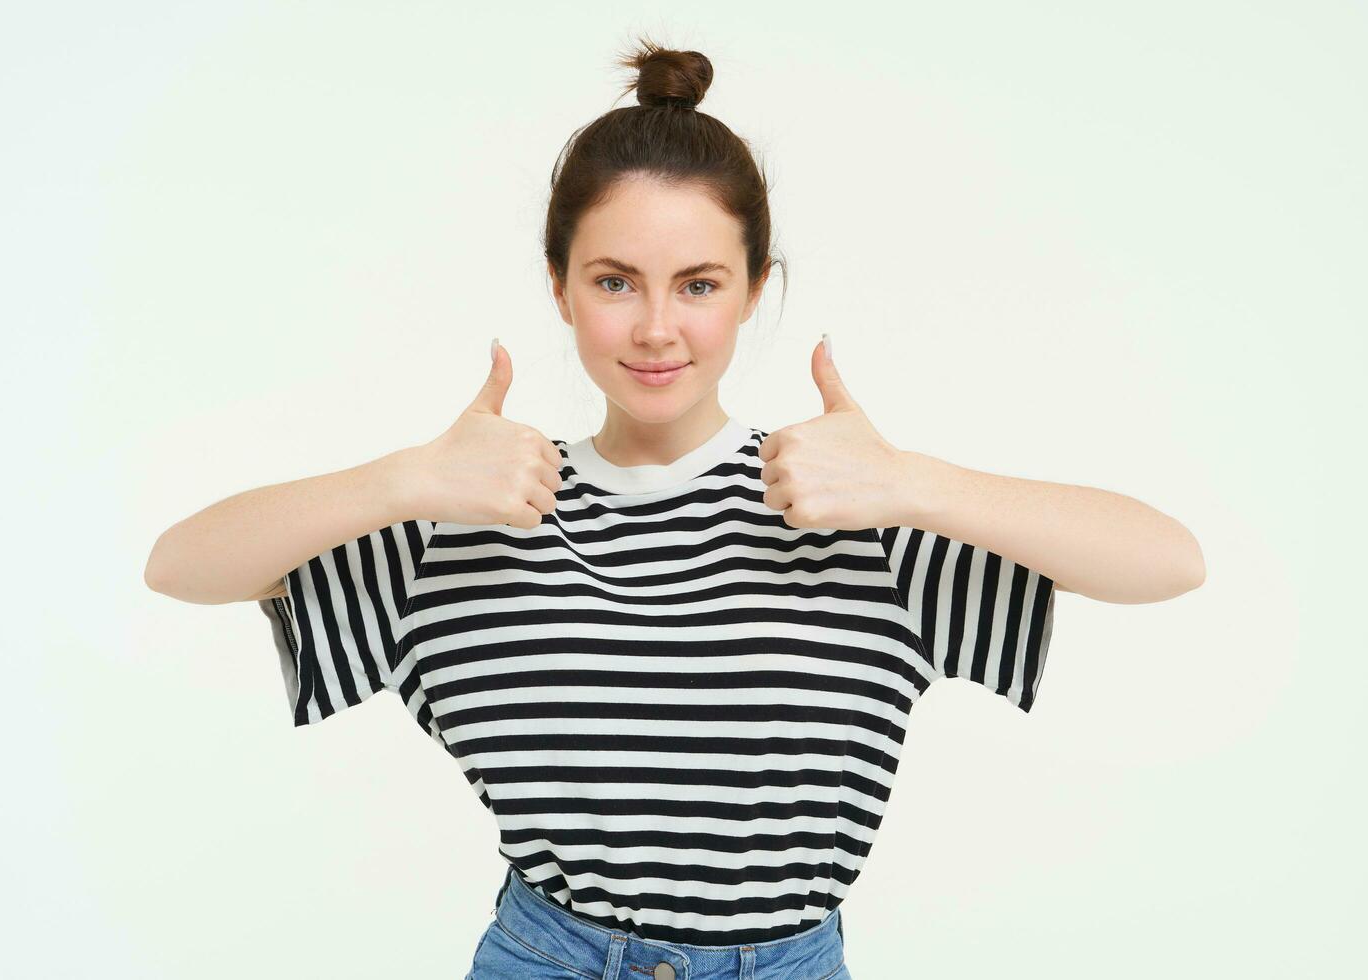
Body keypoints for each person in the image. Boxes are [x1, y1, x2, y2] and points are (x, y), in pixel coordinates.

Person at [144, 37, 1206, 980]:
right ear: (558, 286)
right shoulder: (469, 510)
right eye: (615, 280)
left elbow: (1167, 562)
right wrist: (404, 478)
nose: (657, 327)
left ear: (752, 290)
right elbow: (180, 565)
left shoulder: (851, 505)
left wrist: (913, 484)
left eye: (698, 283)